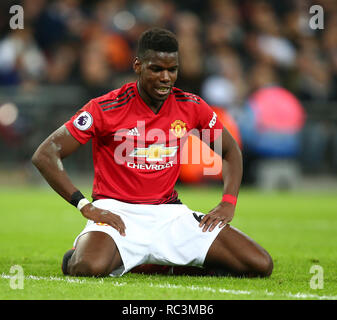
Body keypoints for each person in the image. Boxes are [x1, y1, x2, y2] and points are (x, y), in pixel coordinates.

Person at [32, 28, 273, 278]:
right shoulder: (106, 107)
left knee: (259, 264)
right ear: (138, 65)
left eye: (172, 69)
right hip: (116, 211)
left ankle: (154, 262)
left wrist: (228, 202)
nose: (166, 77)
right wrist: (84, 205)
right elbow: (46, 154)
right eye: (157, 69)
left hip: (169, 213)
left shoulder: (192, 106)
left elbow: (230, 151)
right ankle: (96, 254)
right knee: (87, 267)